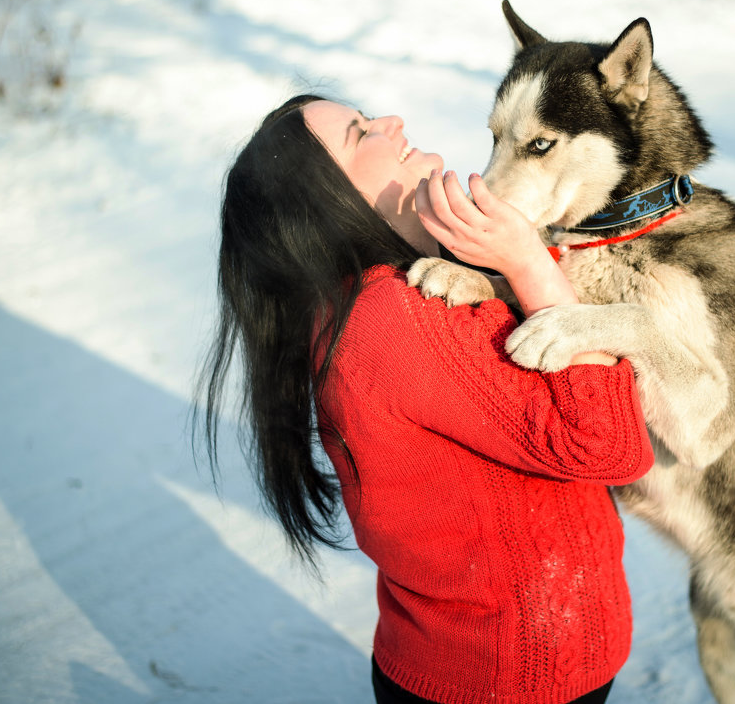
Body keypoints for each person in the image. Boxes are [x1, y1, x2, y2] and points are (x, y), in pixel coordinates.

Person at [197, 93, 653, 704]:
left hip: (522, 664)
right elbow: (608, 445)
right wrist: (528, 267)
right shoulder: (392, 322)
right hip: (510, 679)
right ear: (330, 209)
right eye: (362, 135)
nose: (392, 122)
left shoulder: (398, 296)